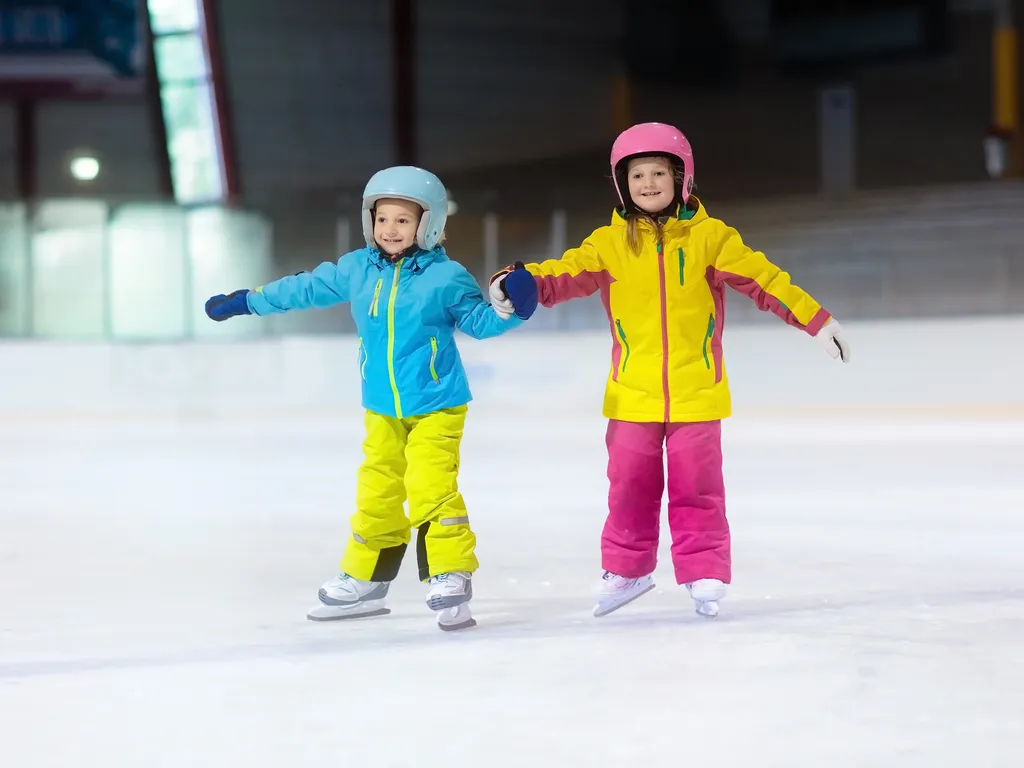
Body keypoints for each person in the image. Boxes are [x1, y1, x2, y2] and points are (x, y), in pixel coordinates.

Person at [489, 122, 850, 619]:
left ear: (682, 178)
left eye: (659, 172)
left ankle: (704, 570)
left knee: (697, 485)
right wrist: (515, 280)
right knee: (628, 483)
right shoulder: (608, 244)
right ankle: (627, 569)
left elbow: (765, 280)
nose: (649, 183)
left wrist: (816, 319)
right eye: (637, 175)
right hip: (632, 392)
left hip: (696, 390)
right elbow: (562, 273)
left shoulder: (712, 238)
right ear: (622, 184)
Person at [205, 165, 538, 631]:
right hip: (381, 406)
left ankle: (449, 574)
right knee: (377, 492)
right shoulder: (355, 268)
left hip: (437, 405)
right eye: (382, 219)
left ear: (430, 223)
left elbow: (482, 322)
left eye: (403, 220)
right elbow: (303, 288)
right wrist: (249, 300)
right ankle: (366, 580)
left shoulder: (446, 276)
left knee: (430, 488)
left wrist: (512, 308)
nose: (391, 229)